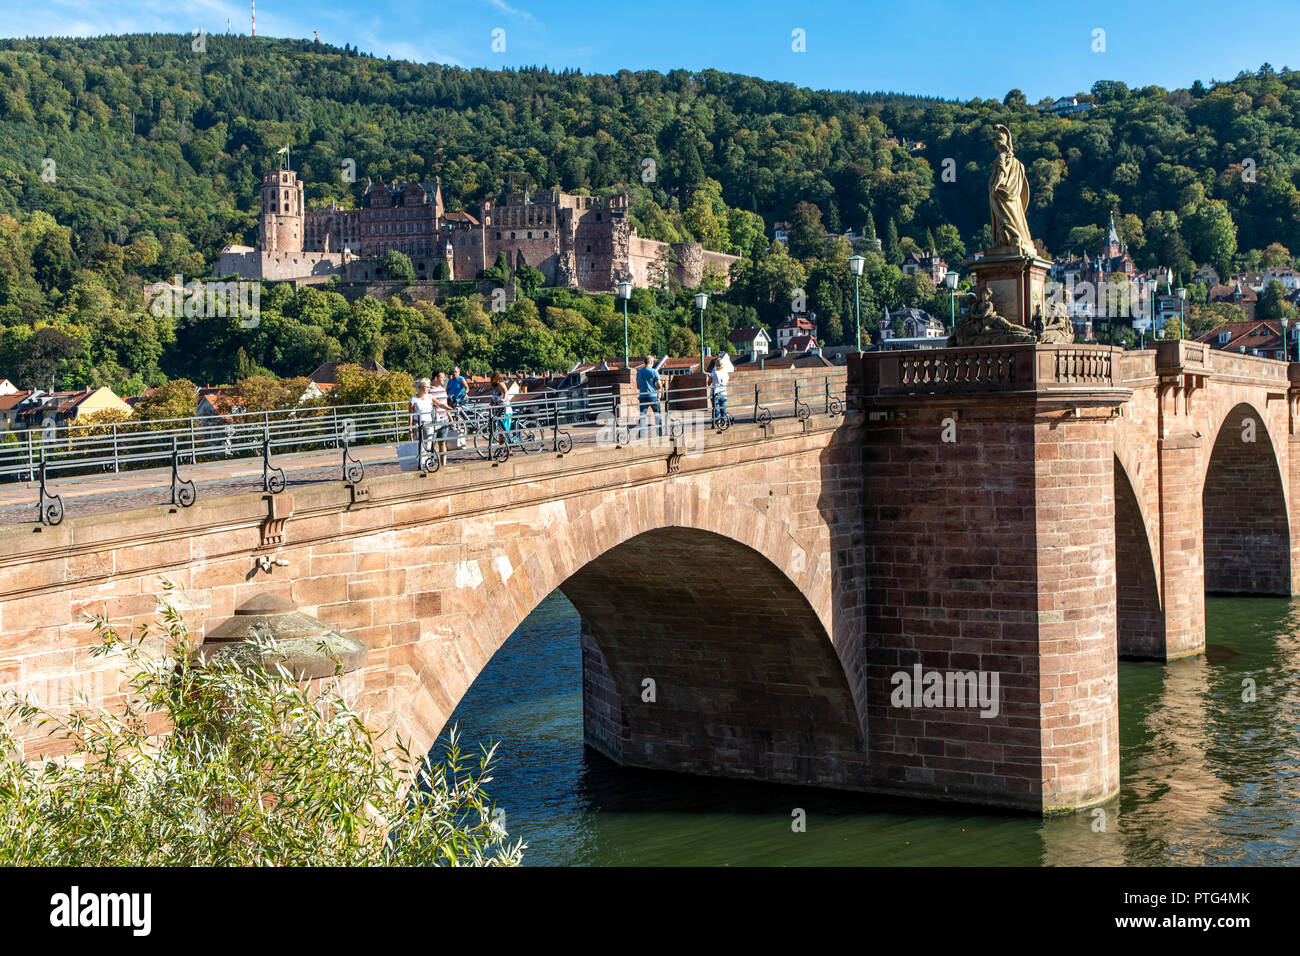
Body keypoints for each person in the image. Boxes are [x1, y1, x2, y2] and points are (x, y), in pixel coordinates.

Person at [636, 354, 662, 438]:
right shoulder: (654, 371)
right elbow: (660, 385)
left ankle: (642, 436)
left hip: (643, 396)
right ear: (651, 362)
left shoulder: (639, 372)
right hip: (653, 396)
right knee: (657, 414)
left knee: (642, 415)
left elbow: (638, 386)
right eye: (653, 362)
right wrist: (655, 388)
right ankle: (660, 434)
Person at [429, 371, 454, 456]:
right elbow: (440, 404)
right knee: (431, 443)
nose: (444, 379)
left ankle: (443, 464)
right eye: (442, 377)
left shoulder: (443, 389)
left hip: (444, 419)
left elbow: (445, 404)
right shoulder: (428, 390)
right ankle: (431, 463)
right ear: (436, 378)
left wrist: (450, 418)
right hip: (433, 420)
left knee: (443, 443)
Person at [489, 371, 514, 441]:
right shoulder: (495, 387)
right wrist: (490, 405)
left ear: (496, 378)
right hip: (499, 410)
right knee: (501, 431)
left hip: (506, 410)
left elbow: (506, 392)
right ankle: (501, 449)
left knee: (505, 431)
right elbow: (493, 399)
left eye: (492, 378)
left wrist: (503, 399)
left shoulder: (501, 384)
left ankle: (509, 449)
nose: (491, 380)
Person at [709, 357, 730, 425]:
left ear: (716, 365)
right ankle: (724, 422)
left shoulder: (714, 373)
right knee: (723, 409)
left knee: (716, 410)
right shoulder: (725, 373)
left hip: (715, 393)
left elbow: (709, 383)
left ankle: (717, 423)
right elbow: (726, 382)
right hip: (723, 393)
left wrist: (709, 377)